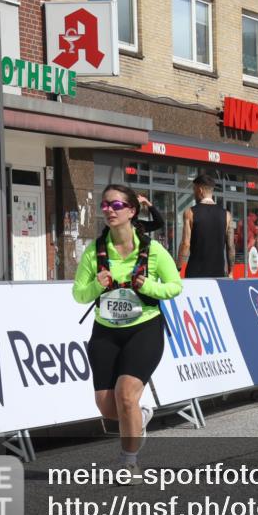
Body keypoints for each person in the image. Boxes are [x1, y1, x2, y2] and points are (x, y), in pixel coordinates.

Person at [72, 184, 183, 482]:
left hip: (143, 328)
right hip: (105, 331)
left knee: (125, 396)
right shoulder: (95, 251)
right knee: (108, 408)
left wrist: (147, 287)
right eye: (106, 205)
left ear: (132, 211)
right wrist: (97, 284)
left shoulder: (153, 250)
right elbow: (79, 295)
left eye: (116, 205)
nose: (109, 210)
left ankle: (129, 462)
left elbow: (175, 286)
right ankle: (141, 416)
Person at [177, 174, 233, 278]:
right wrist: (231, 271)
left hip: (195, 273)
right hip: (218, 272)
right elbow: (230, 246)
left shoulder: (190, 213)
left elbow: (185, 244)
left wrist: (178, 269)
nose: (193, 193)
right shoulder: (227, 215)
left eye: (194, 189)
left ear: (200, 190)